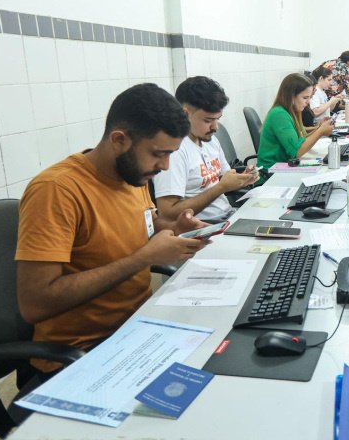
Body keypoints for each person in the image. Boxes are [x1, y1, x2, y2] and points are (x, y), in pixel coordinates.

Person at [15, 84, 211, 372]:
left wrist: (175, 228)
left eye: (170, 154)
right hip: (82, 352)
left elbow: (142, 224)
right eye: (158, 153)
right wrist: (144, 258)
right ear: (119, 139)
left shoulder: (133, 174)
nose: (165, 166)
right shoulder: (56, 190)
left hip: (137, 328)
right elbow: (36, 303)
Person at [154, 77, 258, 222]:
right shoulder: (174, 151)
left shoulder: (210, 140)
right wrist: (221, 187)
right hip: (204, 226)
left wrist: (242, 179)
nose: (215, 127)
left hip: (228, 216)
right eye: (208, 120)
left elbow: (222, 179)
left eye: (217, 119)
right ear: (185, 114)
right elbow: (167, 213)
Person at [257, 73, 335, 169]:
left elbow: (302, 137)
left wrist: (320, 128)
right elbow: (296, 152)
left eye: (310, 97)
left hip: (283, 165)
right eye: (305, 97)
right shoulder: (279, 114)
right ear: (291, 96)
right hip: (271, 170)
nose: (308, 102)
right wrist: (320, 132)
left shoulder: (293, 110)